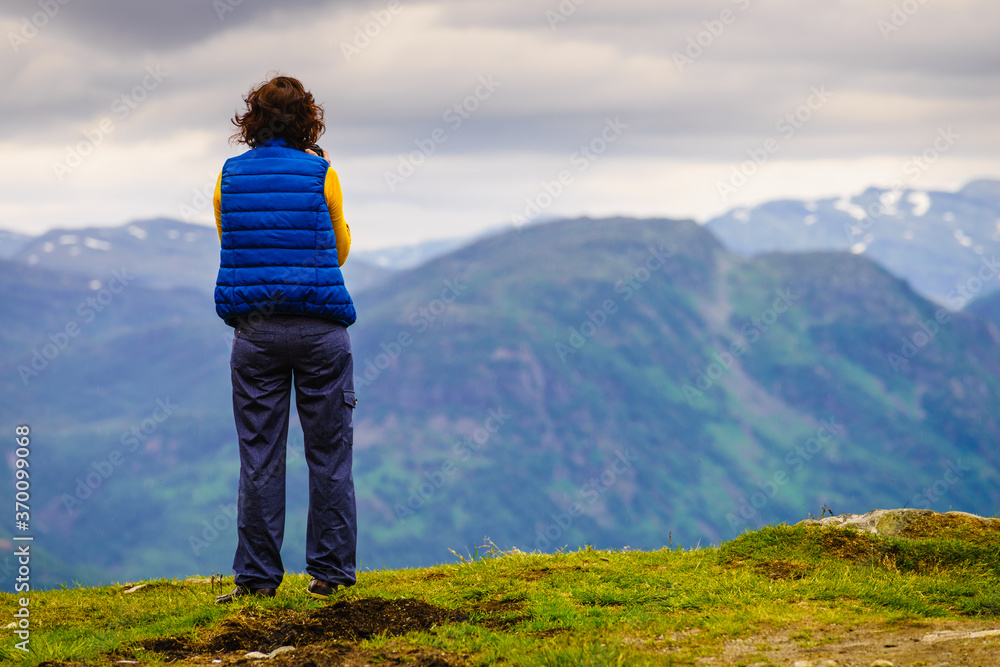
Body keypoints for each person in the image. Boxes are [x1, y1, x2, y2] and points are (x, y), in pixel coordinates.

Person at [212, 74, 358, 603]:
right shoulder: (324, 172)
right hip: (321, 333)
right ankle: (331, 576)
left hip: (256, 335)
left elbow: (234, 243)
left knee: (259, 457)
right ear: (308, 120)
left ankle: (255, 580)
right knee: (330, 456)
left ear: (251, 120)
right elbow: (338, 249)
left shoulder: (228, 177)